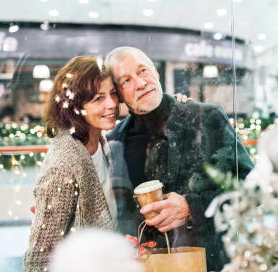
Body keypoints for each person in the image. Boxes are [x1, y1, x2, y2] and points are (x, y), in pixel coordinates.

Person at [24, 56, 191, 272]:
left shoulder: (105, 140)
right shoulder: (64, 161)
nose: (112, 104)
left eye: (113, 93)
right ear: (75, 106)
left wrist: (174, 105)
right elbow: (39, 258)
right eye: (97, 99)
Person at [104, 47, 254, 272]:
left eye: (142, 70)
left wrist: (190, 208)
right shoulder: (112, 141)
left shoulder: (206, 118)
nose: (140, 83)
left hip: (207, 262)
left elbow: (251, 187)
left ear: (155, 71)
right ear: (118, 95)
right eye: (126, 80)